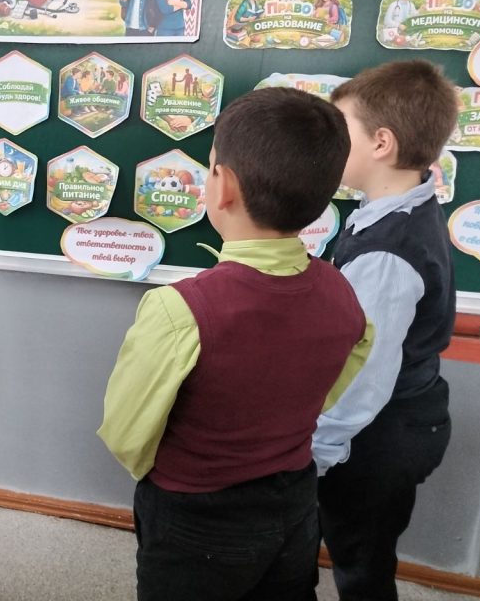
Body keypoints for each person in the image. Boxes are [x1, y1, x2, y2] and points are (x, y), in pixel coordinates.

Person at [99, 87, 374, 601]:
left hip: (195, 516)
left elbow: (125, 432)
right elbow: (340, 374)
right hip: (294, 499)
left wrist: (173, 474)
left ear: (222, 186)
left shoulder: (179, 310)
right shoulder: (341, 290)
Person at [314, 60, 460, 601]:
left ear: (381, 143)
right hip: (403, 417)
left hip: (380, 435)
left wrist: (317, 451)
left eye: (340, 131)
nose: (329, 144)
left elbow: (365, 373)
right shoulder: (398, 205)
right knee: (358, 547)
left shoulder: (387, 254)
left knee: (361, 564)